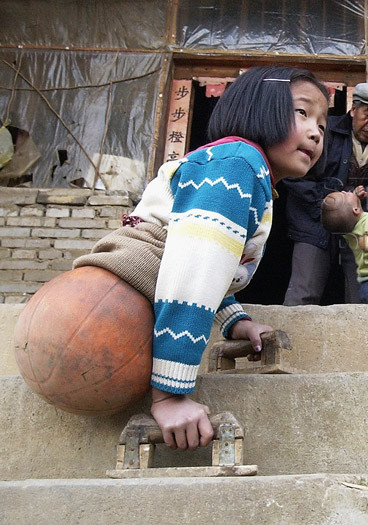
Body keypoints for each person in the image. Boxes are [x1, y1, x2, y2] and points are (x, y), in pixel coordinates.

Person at [73, 66, 330, 449]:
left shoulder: (239, 165)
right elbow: (193, 270)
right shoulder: (238, 164)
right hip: (97, 317)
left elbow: (208, 264)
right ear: (258, 106)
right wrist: (170, 395)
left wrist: (234, 321)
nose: (315, 132)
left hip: (94, 308)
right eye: (302, 113)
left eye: (323, 125)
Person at [282, 82, 368, 305]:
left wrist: (362, 211)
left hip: (359, 230)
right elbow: (294, 174)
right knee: (304, 292)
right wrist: (330, 202)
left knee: (362, 296)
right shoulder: (323, 132)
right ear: (353, 109)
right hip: (313, 225)